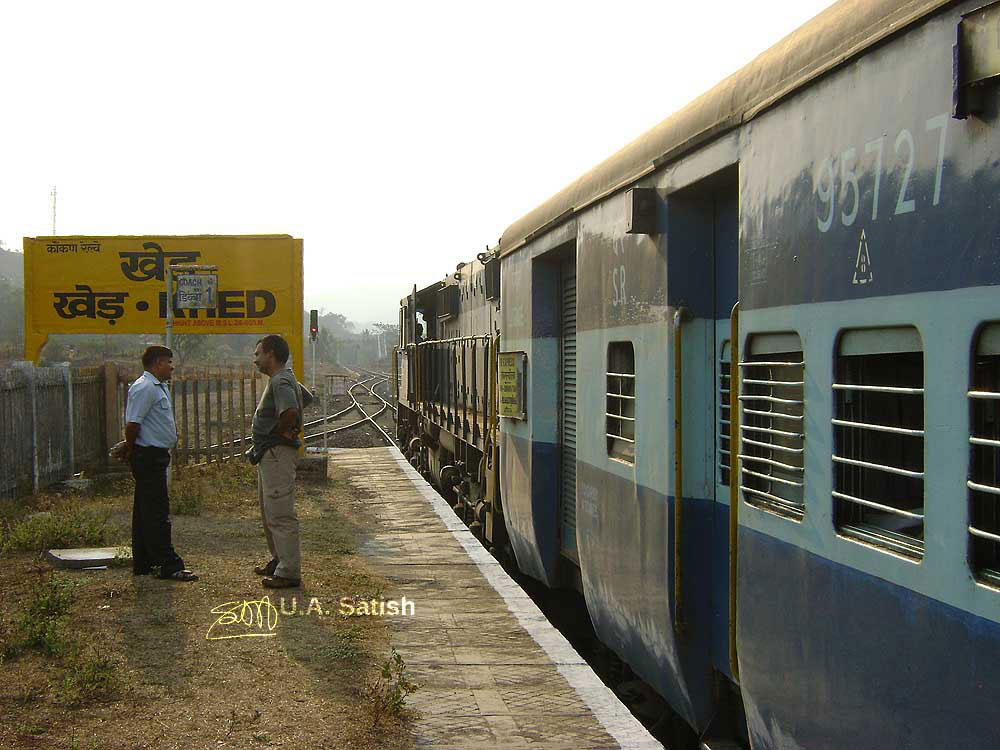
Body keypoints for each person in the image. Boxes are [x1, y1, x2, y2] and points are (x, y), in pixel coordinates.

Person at [123, 345, 197, 582]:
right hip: (149, 456)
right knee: (157, 512)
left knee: (146, 511)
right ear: (157, 364)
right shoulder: (145, 388)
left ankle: (144, 563)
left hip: (153, 454)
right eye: (168, 362)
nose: (172, 367)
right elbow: (133, 424)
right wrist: (130, 448)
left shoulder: (156, 387)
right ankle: (168, 564)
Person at [251, 334, 311, 589]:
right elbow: (305, 397)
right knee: (269, 511)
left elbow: (291, 411)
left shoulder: (281, 380)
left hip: (277, 454)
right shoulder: (285, 380)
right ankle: (279, 561)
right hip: (271, 454)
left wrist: (278, 433)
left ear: (271, 354)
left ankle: (288, 571)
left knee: (280, 512)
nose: (255, 360)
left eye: (258, 354)